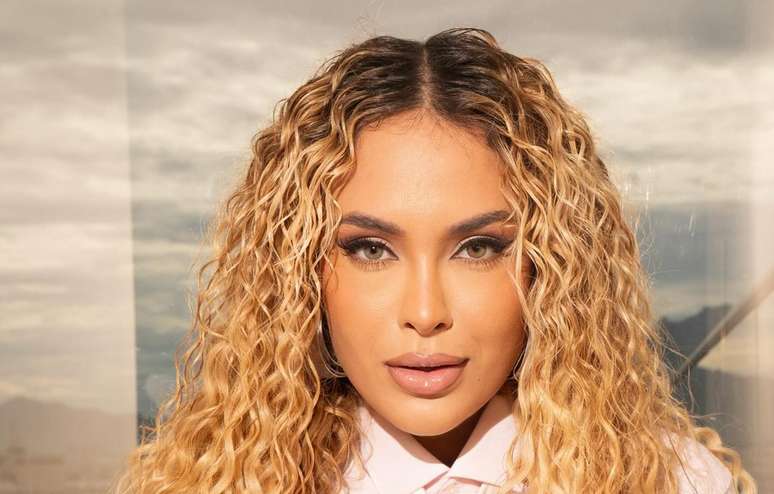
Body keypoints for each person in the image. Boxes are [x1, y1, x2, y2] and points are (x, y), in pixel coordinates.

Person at [110, 27, 757, 493]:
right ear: (298, 271)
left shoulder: (675, 481)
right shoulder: (209, 482)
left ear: (552, 265)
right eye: (370, 248)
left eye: (479, 248)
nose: (425, 313)